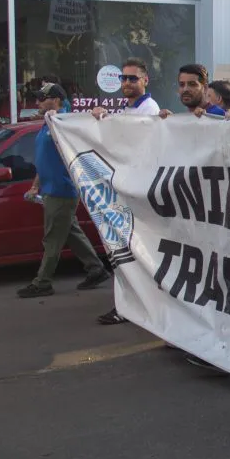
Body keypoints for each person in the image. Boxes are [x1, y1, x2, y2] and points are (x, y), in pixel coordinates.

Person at [15, 83, 110, 299]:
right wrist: (35, 185)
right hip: (51, 189)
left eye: (42, 98)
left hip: (61, 190)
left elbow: (87, 126)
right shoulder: (50, 122)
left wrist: (96, 112)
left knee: (52, 239)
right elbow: (44, 159)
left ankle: (42, 282)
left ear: (56, 100)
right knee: (70, 232)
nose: (37, 102)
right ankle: (96, 269)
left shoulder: (65, 121)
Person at [93, 58, 161, 326]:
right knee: (124, 252)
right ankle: (129, 304)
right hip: (126, 189)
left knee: (133, 252)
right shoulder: (127, 108)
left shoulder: (149, 109)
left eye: (133, 78)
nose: (127, 83)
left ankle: (132, 306)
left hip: (140, 192)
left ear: (145, 81)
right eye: (123, 78)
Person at [159, 64, 225, 118]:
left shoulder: (218, 115)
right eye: (182, 84)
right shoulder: (187, 117)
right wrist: (170, 121)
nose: (185, 89)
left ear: (205, 88)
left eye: (192, 84)